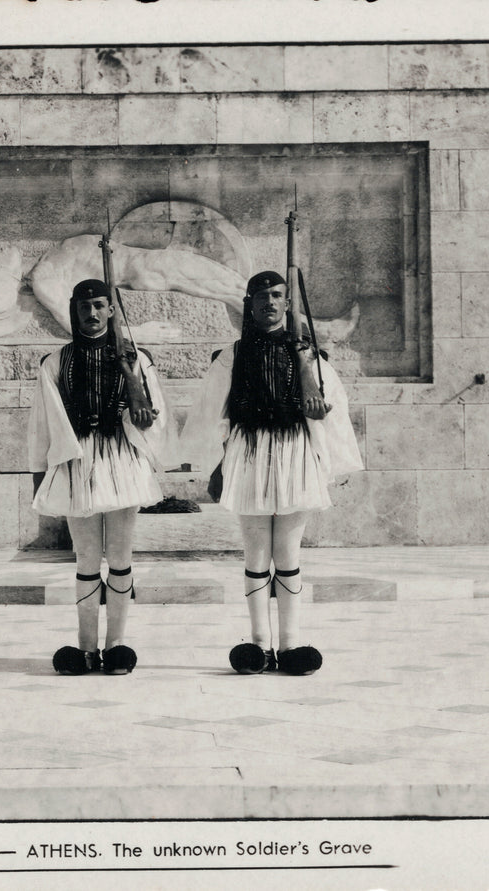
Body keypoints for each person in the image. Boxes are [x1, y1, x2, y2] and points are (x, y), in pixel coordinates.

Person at [182, 270, 362, 675]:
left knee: (289, 552)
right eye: (261, 296)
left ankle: (290, 643)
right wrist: (216, 464)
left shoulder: (310, 355)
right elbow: (213, 413)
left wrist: (318, 415)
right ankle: (259, 645)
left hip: (294, 451)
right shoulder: (233, 354)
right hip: (249, 451)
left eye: (278, 296)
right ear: (249, 303)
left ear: (287, 303)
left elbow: (332, 406)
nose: (270, 303)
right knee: (256, 551)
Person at [29, 279, 169, 676]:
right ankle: (86, 647)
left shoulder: (136, 359)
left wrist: (142, 416)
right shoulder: (56, 362)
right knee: (87, 560)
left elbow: (153, 416)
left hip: (121, 460)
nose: (91, 314)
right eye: (84, 306)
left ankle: (117, 645)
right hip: (77, 463)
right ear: (74, 311)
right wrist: (40, 478)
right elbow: (42, 425)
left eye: (99, 306)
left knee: (121, 559)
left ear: (112, 310)